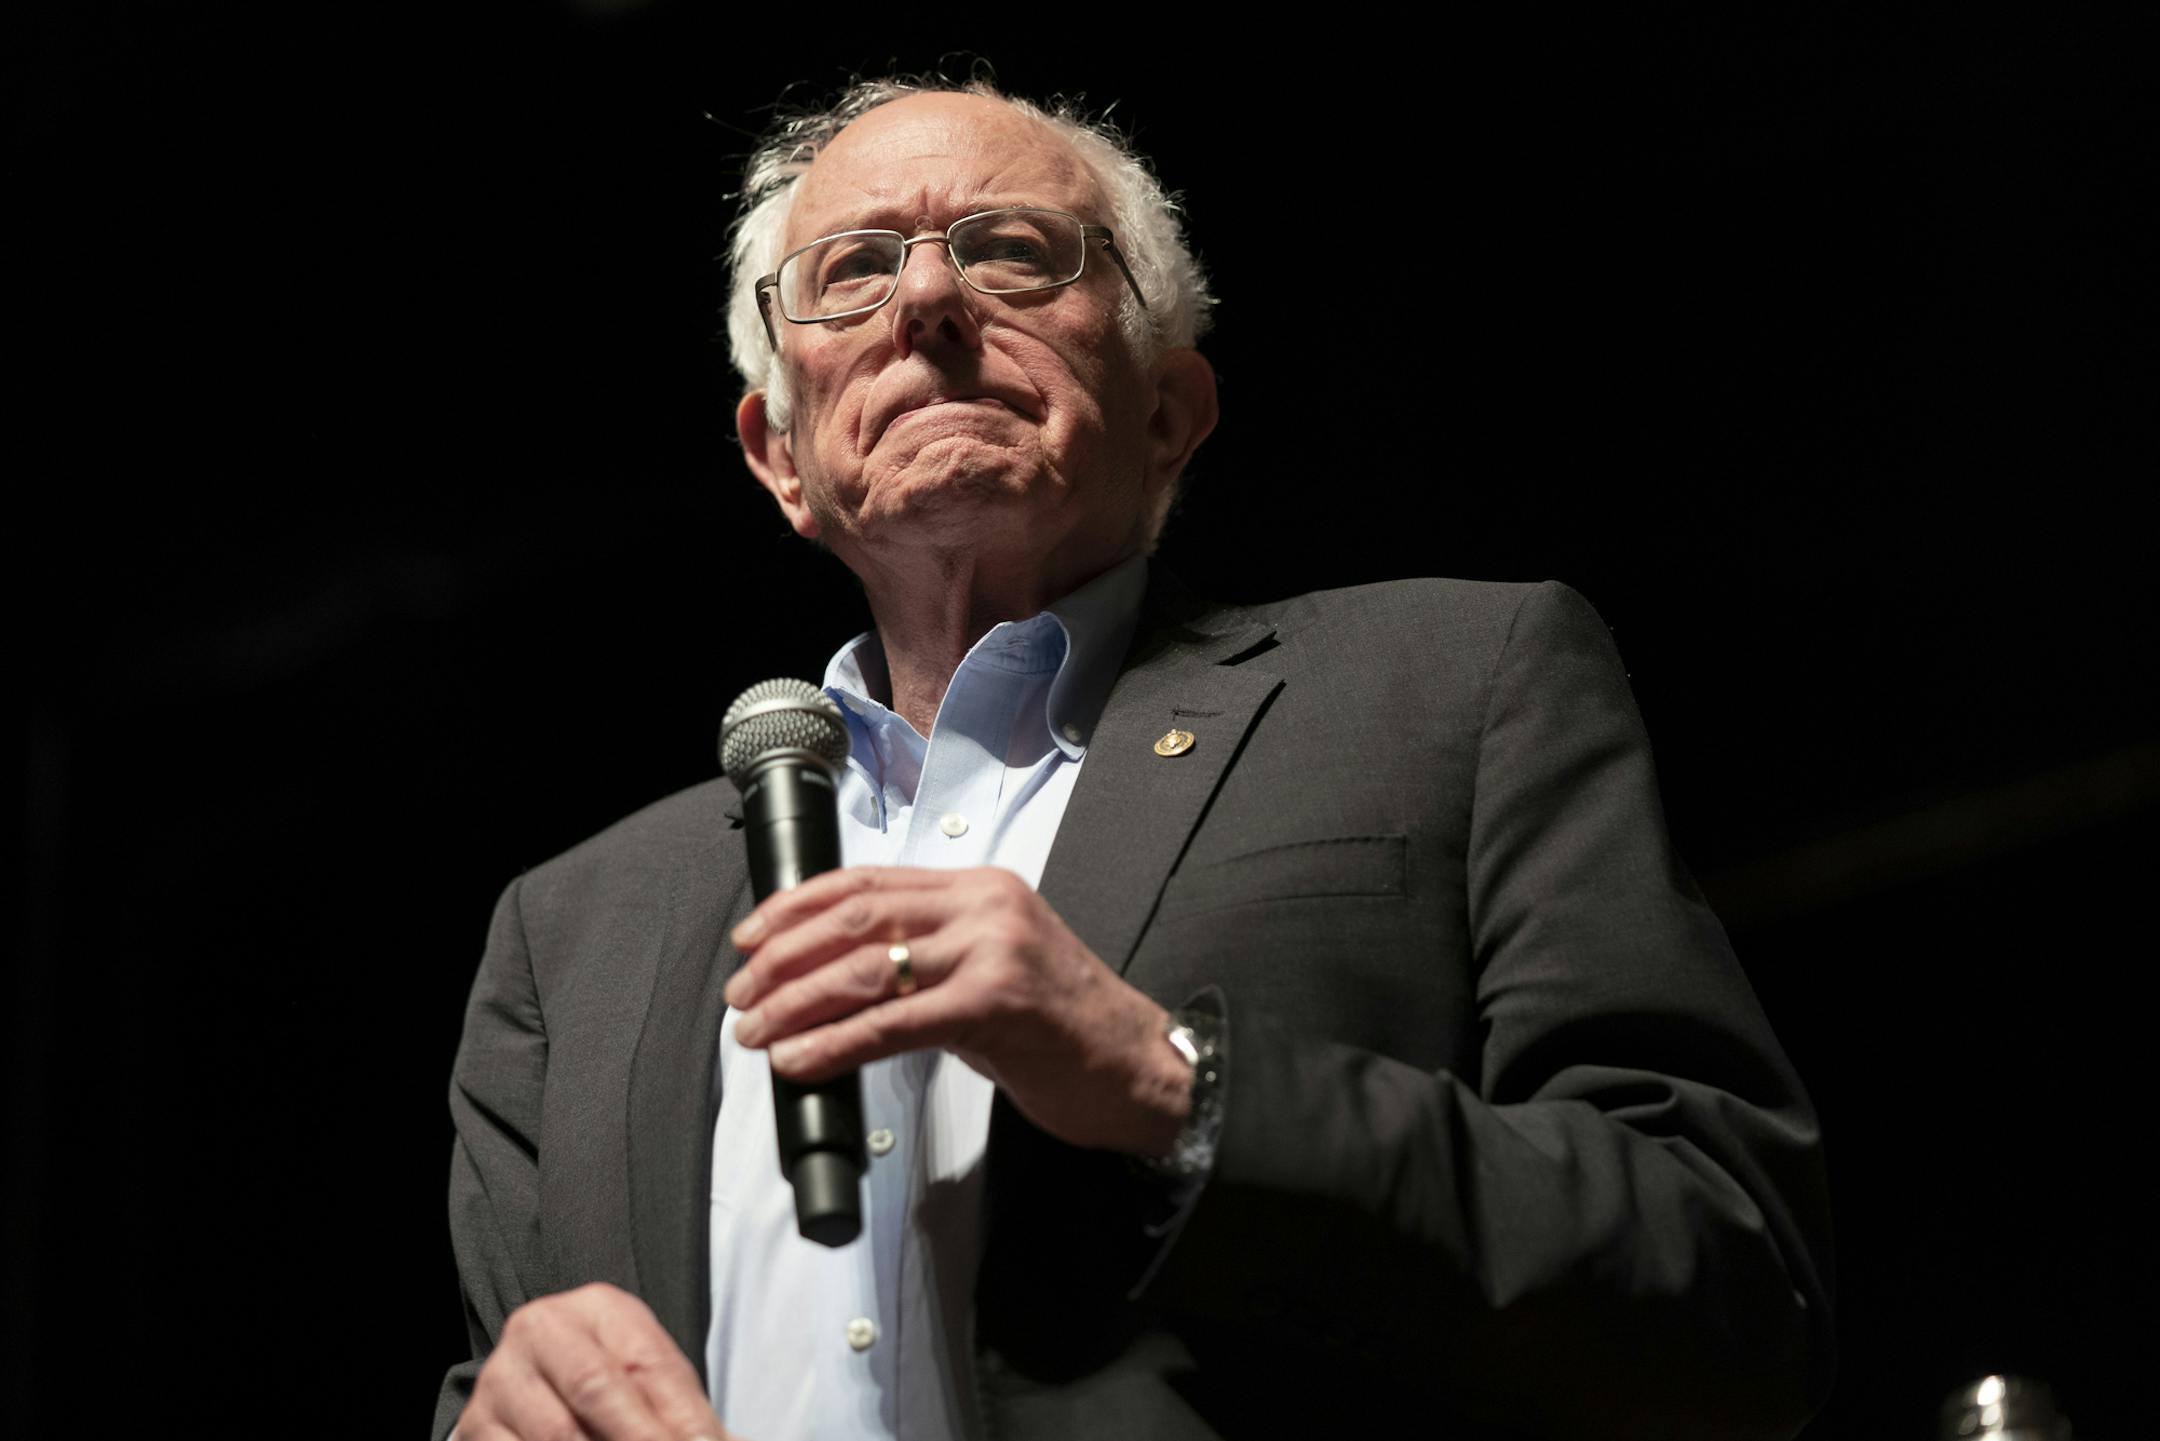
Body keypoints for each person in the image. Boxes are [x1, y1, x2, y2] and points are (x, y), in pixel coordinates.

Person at [436, 78, 1836, 1441]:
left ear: (1169, 412)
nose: (926, 302)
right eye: (852, 269)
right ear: (780, 455)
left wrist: (1174, 1084)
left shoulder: (1458, 689)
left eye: (1011, 252)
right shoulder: (568, 934)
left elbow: (1729, 1288)